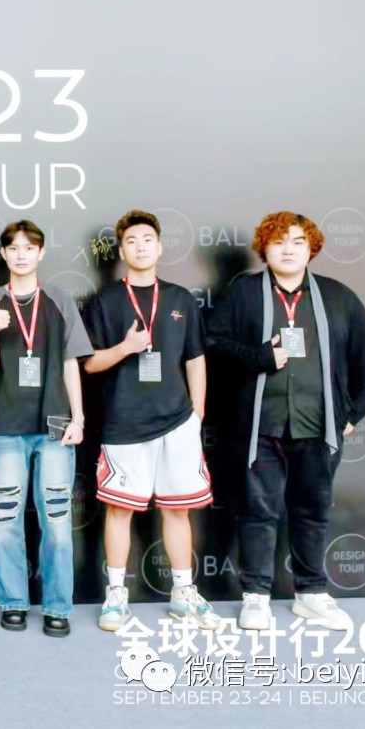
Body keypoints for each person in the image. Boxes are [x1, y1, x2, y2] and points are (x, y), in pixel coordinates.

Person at [207, 212, 365, 631]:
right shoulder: (244, 292)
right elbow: (213, 342)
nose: (288, 250)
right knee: (257, 512)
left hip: (317, 424)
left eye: (298, 242)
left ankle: (311, 594)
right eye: (279, 241)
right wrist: (259, 357)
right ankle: (256, 597)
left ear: (310, 248)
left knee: (312, 510)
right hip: (260, 426)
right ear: (264, 247)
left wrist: (352, 412)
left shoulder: (337, 296)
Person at [83, 211, 218, 632]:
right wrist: (125, 348)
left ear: (159, 247)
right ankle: (115, 596)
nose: (140, 247)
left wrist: (196, 414)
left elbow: (195, 359)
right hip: (124, 423)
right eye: (131, 241)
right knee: (119, 511)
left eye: (147, 240)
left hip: (177, 422)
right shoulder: (105, 300)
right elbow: (89, 364)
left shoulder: (180, 299)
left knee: (178, 512)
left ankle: (183, 593)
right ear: (121, 252)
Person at [0, 220, 91, 637]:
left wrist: (79, 417)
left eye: (29, 248)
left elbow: (71, 362)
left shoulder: (59, 300)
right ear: (4, 254)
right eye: (14, 248)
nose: (21, 255)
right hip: (6, 423)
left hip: (55, 422)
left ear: (41, 253)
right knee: (5, 518)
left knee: (57, 518)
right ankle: (14, 602)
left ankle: (57, 607)